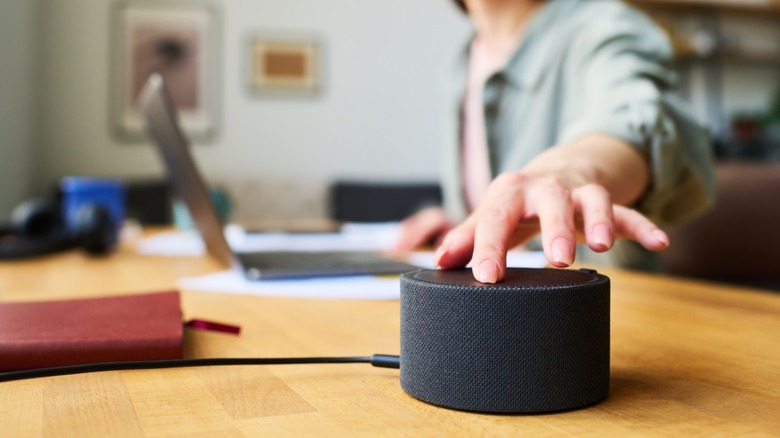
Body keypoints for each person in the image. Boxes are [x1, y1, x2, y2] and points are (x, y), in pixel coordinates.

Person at [393, 0, 715, 283]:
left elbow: (630, 120)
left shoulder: (602, 27)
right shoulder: (459, 64)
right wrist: (459, 221)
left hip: (606, 314)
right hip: (489, 314)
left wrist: (567, 175)